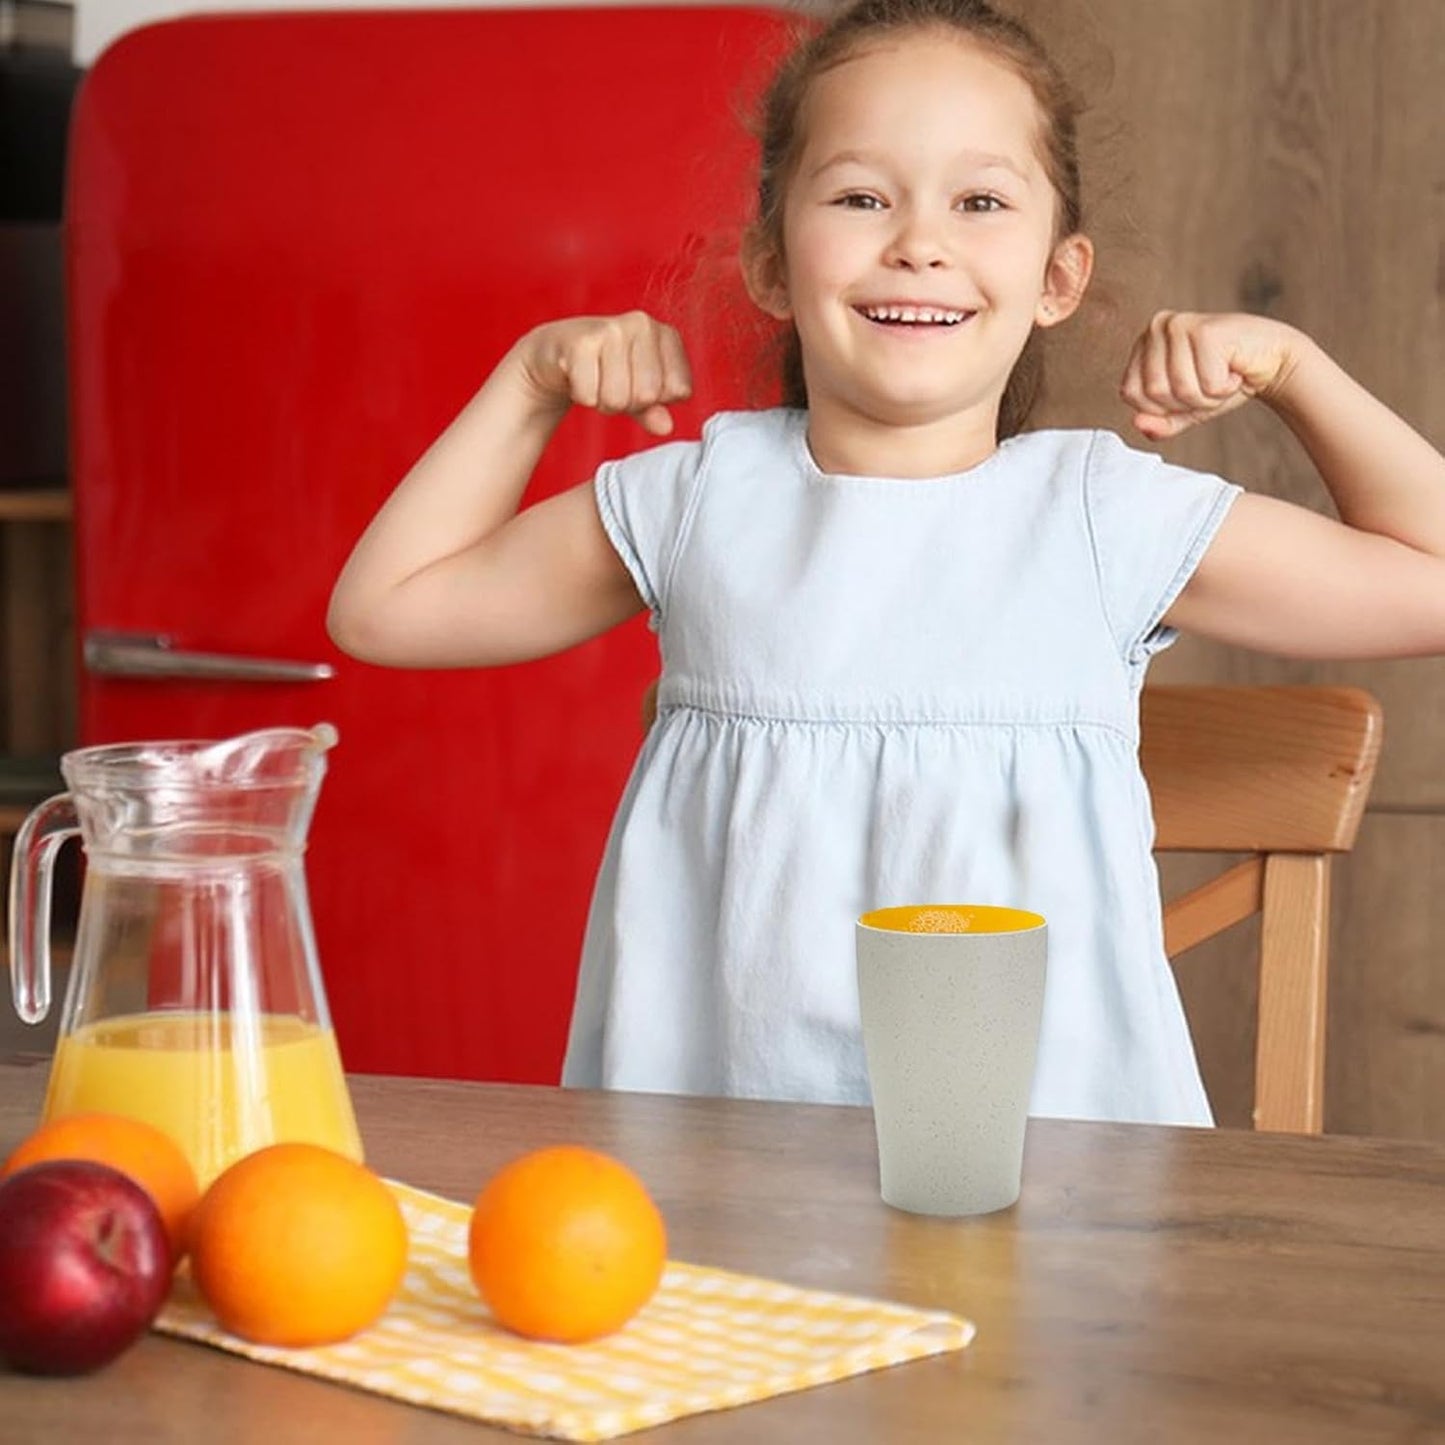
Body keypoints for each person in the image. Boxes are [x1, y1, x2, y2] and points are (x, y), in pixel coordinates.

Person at [327, 0, 1445, 1126]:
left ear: (1057, 277)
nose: (919, 241)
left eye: (980, 201)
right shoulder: (700, 499)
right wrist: (528, 385)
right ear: (770, 262)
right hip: (722, 1164)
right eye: (861, 197)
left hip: (1052, 1178)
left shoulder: (1100, 514)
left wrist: (1297, 370)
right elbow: (386, 610)